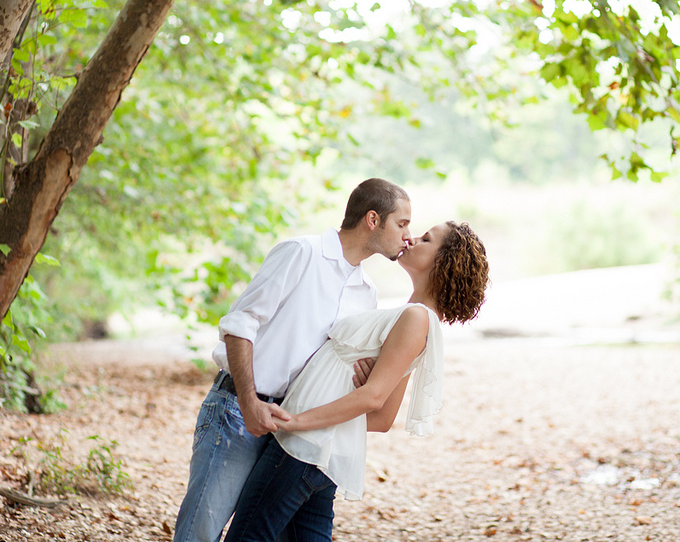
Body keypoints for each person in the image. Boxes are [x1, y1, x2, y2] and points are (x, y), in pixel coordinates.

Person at [172, 178, 413, 542]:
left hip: (293, 430)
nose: (408, 235)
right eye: (403, 223)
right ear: (373, 219)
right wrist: (249, 402)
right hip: (238, 411)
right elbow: (240, 324)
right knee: (201, 530)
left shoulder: (367, 293)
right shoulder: (303, 252)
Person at [222, 221, 490, 542]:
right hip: (322, 452)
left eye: (426, 239)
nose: (412, 238)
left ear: (444, 260)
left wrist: (297, 421)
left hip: (304, 447)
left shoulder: (416, 318)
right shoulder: (412, 315)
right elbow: (381, 419)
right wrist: (352, 392)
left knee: (248, 535)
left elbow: (375, 401)